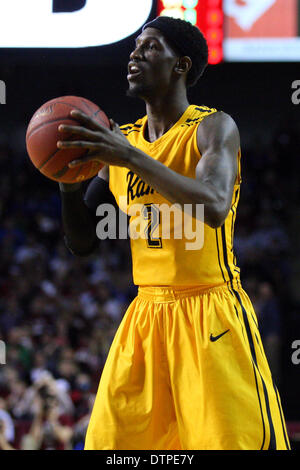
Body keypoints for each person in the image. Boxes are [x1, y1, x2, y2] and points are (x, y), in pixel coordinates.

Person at [57, 16, 290, 450]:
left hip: (210, 311)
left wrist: (130, 158)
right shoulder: (119, 143)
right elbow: (82, 243)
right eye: (133, 48)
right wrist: (69, 190)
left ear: (180, 64)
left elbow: (215, 206)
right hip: (146, 315)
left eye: (149, 47)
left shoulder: (212, 128)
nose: (134, 55)